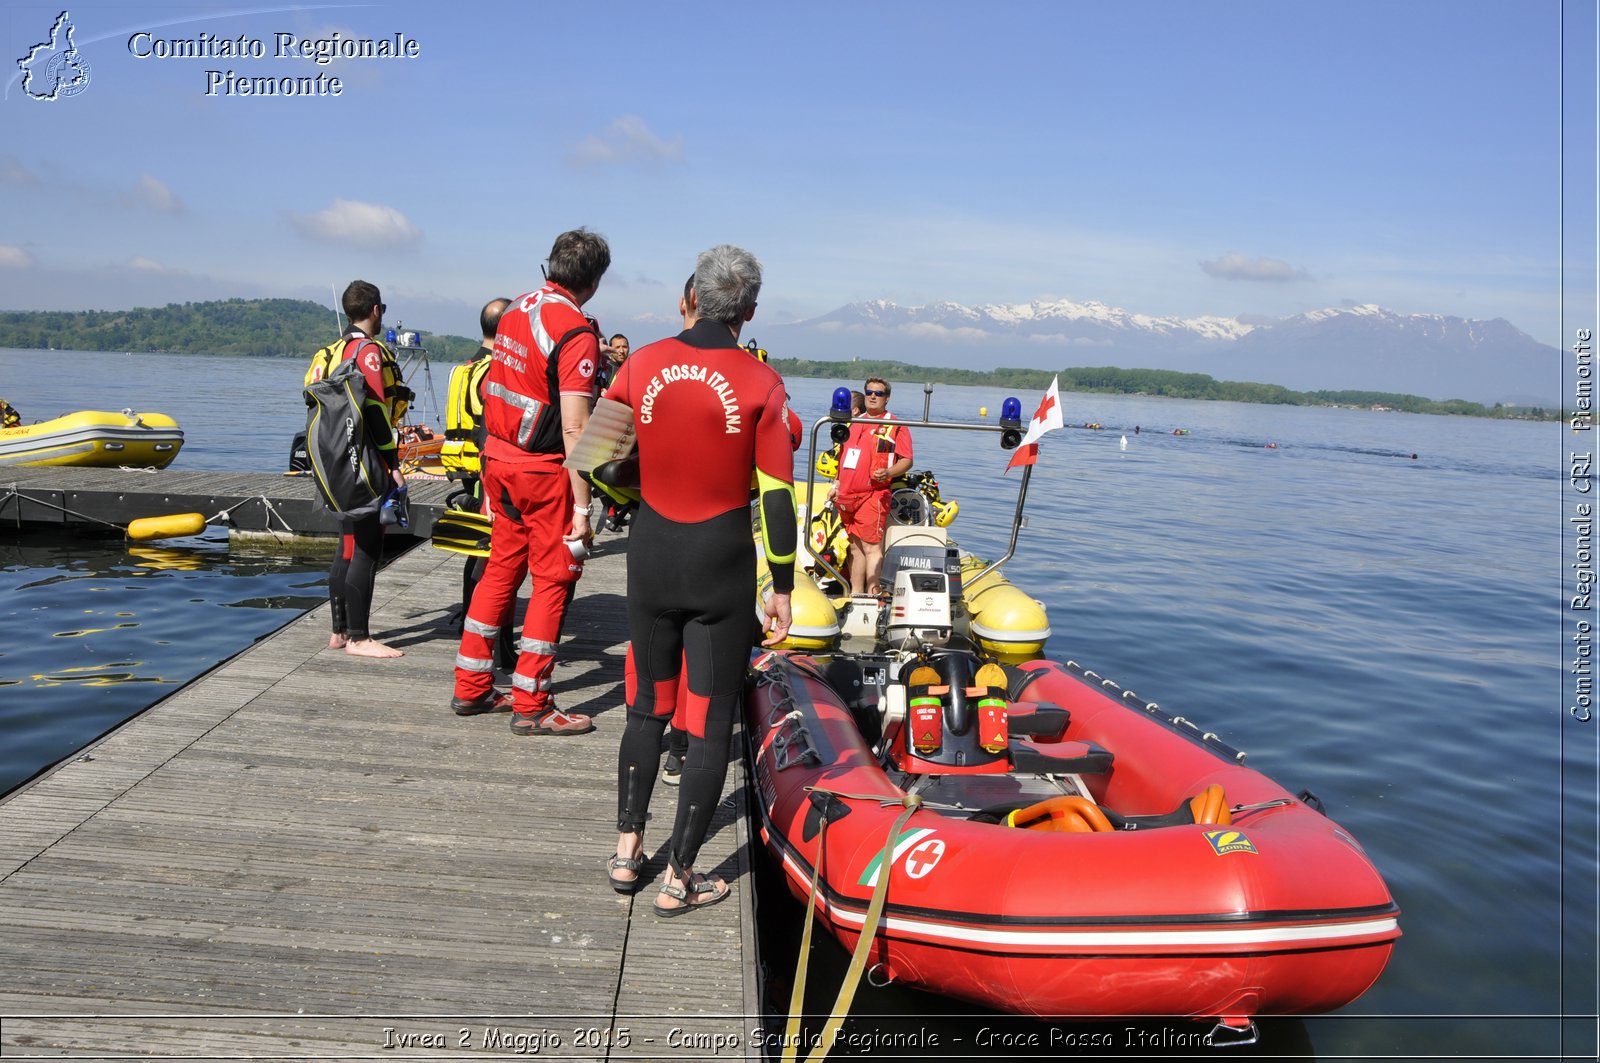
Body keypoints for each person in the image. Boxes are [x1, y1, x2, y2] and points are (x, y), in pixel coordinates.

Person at [606, 245, 796, 914]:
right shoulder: (761, 384)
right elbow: (776, 498)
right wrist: (782, 585)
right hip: (720, 561)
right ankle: (679, 876)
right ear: (749, 309)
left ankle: (628, 851)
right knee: (711, 723)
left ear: (691, 298)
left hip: (651, 550)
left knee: (646, 707)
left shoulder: (640, 362)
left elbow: (596, 459)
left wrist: (646, 483)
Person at [449, 229, 607, 733]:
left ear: (551, 266)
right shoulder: (575, 330)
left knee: (500, 570)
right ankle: (532, 704)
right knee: (555, 579)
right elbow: (576, 427)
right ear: (595, 280)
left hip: (496, 459)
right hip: (541, 469)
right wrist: (583, 511)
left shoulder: (517, 308)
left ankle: (471, 685)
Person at [324, 281, 409, 659]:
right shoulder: (368, 352)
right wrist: (392, 465)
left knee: (346, 545)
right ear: (376, 310)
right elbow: (375, 411)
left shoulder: (329, 351)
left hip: (333, 459)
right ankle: (360, 638)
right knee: (366, 549)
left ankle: (339, 631)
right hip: (365, 457)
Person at [443, 298, 518, 699]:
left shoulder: (462, 368)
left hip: (462, 469)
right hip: (487, 474)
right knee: (496, 561)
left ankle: (472, 626)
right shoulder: (495, 370)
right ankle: (499, 648)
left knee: (476, 554)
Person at [829, 376, 912, 595]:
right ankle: (856, 595)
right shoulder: (853, 422)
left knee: (871, 547)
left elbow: (907, 459)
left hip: (873, 494)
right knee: (855, 548)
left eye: (879, 393)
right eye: (869, 392)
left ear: (887, 398)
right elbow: (843, 459)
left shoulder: (895, 425)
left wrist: (889, 472)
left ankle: (874, 594)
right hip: (847, 496)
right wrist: (836, 485)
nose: (873, 396)